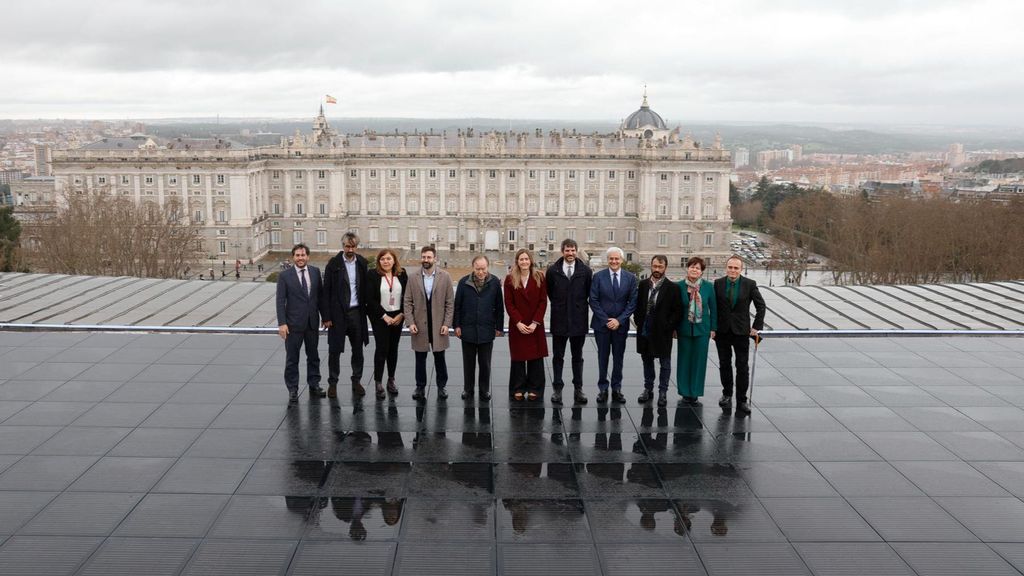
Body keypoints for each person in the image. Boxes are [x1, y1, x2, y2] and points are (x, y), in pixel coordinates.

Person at [714, 256, 766, 415]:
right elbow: (713, 306)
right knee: (724, 364)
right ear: (726, 267)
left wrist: (756, 327)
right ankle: (727, 394)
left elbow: (761, 306)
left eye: (736, 268)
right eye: (730, 267)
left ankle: (742, 400)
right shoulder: (718, 284)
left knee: (742, 367)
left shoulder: (749, 284)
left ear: (740, 269)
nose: (732, 270)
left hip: (741, 332)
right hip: (722, 332)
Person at [321, 232, 370, 399]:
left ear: (357, 246)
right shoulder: (333, 264)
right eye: (347, 246)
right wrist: (326, 317)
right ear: (343, 246)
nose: (350, 249)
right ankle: (332, 383)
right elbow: (325, 291)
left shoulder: (362, 263)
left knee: (358, 350)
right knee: (334, 351)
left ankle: (356, 381)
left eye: (353, 246)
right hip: (337, 315)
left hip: (356, 313)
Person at [404, 246, 455, 401]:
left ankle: (441, 386)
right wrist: (410, 322)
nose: (426, 260)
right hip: (419, 325)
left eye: (429, 257)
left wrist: (447, 323)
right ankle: (420, 387)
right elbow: (407, 302)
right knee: (420, 359)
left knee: (440, 358)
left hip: (439, 325)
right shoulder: (412, 277)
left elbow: (450, 303)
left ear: (435, 259)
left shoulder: (445, 277)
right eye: (424, 257)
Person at [545, 239, 592, 405]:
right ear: (562, 251)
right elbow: (550, 293)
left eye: (573, 250)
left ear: (577, 251)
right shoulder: (552, 271)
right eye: (567, 251)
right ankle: (557, 389)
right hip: (560, 320)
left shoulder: (586, 271)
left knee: (577, 356)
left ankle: (578, 388)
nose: (570, 254)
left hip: (578, 320)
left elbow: (588, 293)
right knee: (558, 356)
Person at [276, 243, 324, 403]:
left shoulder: (315, 272)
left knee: (313, 356)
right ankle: (293, 389)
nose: (300, 258)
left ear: (307, 257)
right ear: (293, 257)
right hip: (293, 324)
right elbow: (280, 301)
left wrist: (325, 317)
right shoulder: (285, 276)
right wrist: (282, 323)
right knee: (292, 359)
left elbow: (319, 297)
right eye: (297, 255)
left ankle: (314, 384)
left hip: (312, 322)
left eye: (303, 255)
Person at [633, 255, 683, 407]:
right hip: (645, 330)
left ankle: (663, 392)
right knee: (647, 361)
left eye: (660, 267)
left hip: (663, 333)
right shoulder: (642, 285)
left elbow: (677, 311)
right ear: (651, 266)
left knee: (665, 363)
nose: (657, 270)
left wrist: (667, 327)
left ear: (665, 268)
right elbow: (638, 306)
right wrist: (639, 322)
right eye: (654, 266)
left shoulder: (673, 288)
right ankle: (648, 389)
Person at [590, 247, 637, 404]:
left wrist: (619, 320)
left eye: (617, 259)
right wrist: (606, 320)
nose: (614, 261)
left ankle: (617, 388)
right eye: (611, 259)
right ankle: (603, 388)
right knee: (602, 357)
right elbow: (593, 300)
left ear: (622, 260)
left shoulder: (630, 278)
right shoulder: (598, 277)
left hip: (620, 326)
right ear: (607, 260)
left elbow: (632, 302)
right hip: (601, 325)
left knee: (618, 357)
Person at [453, 255, 504, 401]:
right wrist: (456, 325)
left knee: (485, 363)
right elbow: (458, 306)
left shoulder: (494, 282)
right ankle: (468, 390)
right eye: (478, 269)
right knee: (468, 363)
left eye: (483, 269)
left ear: (488, 267)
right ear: (473, 267)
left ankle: (484, 390)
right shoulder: (463, 282)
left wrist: (499, 327)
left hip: (486, 329)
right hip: (468, 328)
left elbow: (499, 307)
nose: (480, 272)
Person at [504, 249, 548, 401]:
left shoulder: (539, 277)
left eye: (526, 259)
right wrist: (518, 322)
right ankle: (518, 387)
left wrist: (536, 322)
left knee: (536, 358)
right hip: (518, 324)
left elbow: (543, 301)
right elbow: (508, 303)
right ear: (517, 261)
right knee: (518, 357)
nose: (524, 262)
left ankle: (535, 388)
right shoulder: (510, 279)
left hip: (535, 323)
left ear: (531, 261)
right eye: (521, 259)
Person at [365, 248, 408, 400]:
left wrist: (402, 314)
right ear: (379, 261)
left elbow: (407, 296)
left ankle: (391, 379)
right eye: (383, 259)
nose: (386, 262)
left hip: (397, 316)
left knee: (393, 349)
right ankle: (378, 382)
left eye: (389, 259)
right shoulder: (372, 275)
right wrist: (384, 316)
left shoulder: (402, 274)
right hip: (380, 317)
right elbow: (370, 299)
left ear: (394, 260)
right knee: (382, 349)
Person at [676, 256, 717, 406]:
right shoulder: (679, 286)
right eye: (692, 267)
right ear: (687, 268)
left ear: (701, 272)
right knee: (684, 360)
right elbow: (675, 309)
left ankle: (695, 392)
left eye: (698, 268)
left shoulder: (708, 287)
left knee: (699, 362)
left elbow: (714, 308)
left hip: (702, 330)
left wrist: (713, 328)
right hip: (684, 329)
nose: (694, 269)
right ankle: (685, 391)